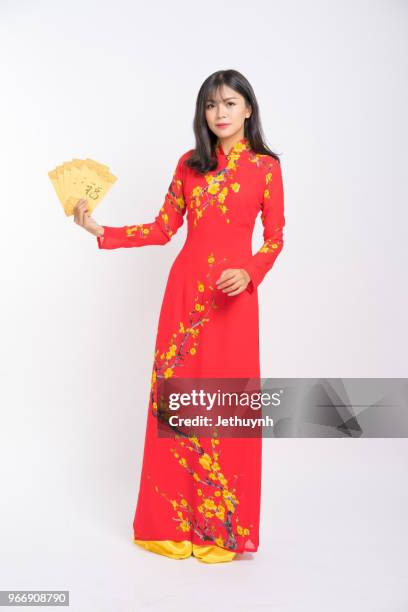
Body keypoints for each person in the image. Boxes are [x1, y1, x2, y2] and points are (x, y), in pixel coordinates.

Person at [74, 68, 285, 563]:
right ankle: (169, 526)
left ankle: (219, 530)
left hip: (234, 299)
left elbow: (275, 238)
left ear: (248, 109)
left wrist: (250, 271)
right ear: (203, 113)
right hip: (186, 294)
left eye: (230, 103)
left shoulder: (266, 168)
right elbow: (163, 227)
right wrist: (99, 230)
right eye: (211, 105)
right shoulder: (190, 164)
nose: (220, 113)